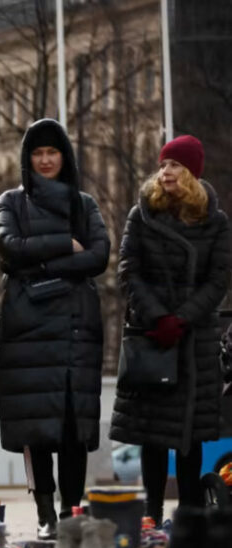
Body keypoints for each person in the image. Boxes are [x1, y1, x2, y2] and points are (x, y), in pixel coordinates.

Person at [0, 119, 111, 540]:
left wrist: (36, 265)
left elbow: (99, 255)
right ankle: (46, 515)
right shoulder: (10, 202)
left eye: (52, 152)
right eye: (37, 154)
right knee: (36, 428)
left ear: (64, 157)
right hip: (28, 328)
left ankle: (72, 511)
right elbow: (9, 247)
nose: (45, 160)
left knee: (73, 425)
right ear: (28, 159)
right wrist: (64, 246)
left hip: (77, 327)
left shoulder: (85, 205)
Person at [112, 135, 231, 523]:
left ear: (192, 173)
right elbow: (128, 270)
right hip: (153, 337)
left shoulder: (215, 222)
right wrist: (159, 317)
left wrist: (182, 318)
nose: (166, 172)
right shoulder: (141, 214)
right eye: (163, 165)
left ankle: (191, 514)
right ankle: (150, 512)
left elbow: (219, 279)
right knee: (151, 433)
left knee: (190, 435)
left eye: (175, 165)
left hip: (194, 339)